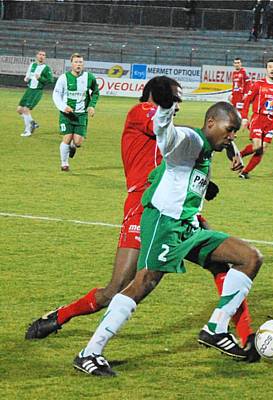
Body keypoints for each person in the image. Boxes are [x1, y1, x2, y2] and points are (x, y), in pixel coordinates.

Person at [25, 76, 257, 350]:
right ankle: (63, 318)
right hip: (145, 206)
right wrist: (204, 133)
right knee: (118, 288)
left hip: (178, 203)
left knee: (222, 264)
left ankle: (245, 335)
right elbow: (172, 133)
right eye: (174, 99)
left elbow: (183, 151)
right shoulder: (141, 112)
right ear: (158, 97)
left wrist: (205, 173)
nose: (177, 106)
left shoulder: (172, 126)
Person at [72, 86, 263, 376]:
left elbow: (205, 156)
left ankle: (216, 328)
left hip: (188, 227)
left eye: (236, 132)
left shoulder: (209, 148)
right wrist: (164, 107)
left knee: (250, 258)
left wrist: (232, 149)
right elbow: (167, 134)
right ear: (211, 123)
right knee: (143, 283)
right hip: (164, 224)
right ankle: (90, 352)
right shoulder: (188, 141)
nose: (233, 135)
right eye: (230, 129)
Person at [238, 59, 273, 179]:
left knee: (262, 149)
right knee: (256, 146)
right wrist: (244, 118)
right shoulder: (259, 84)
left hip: (270, 122)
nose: (272, 69)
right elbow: (247, 101)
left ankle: (244, 172)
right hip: (258, 119)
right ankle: (238, 155)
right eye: (270, 67)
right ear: (266, 69)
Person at [52, 53, 99, 172]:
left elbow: (95, 92)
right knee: (67, 138)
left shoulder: (89, 77)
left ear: (83, 64)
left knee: (77, 142)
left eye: (80, 62)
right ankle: (64, 163)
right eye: (76, 62)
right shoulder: (64, 78)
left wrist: (92, 106)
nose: (78, 64)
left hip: (82, 114)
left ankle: (74, 146)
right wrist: (63, 107)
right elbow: (56, 94)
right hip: (66, 114)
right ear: (71, 64)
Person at [17, 50, 53, 137]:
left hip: (37, 91)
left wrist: (40, 78)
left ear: (45, 57)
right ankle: (33, 122)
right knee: (19, 109)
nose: (41, 56)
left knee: (26, 109)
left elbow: (51, 80)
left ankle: (28, 131)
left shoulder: (46, 68)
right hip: (29, 90)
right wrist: (26, 78)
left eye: (43, 55)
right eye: (40, 54)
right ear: (37, 56)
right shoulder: (32, 65)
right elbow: (28, 75)